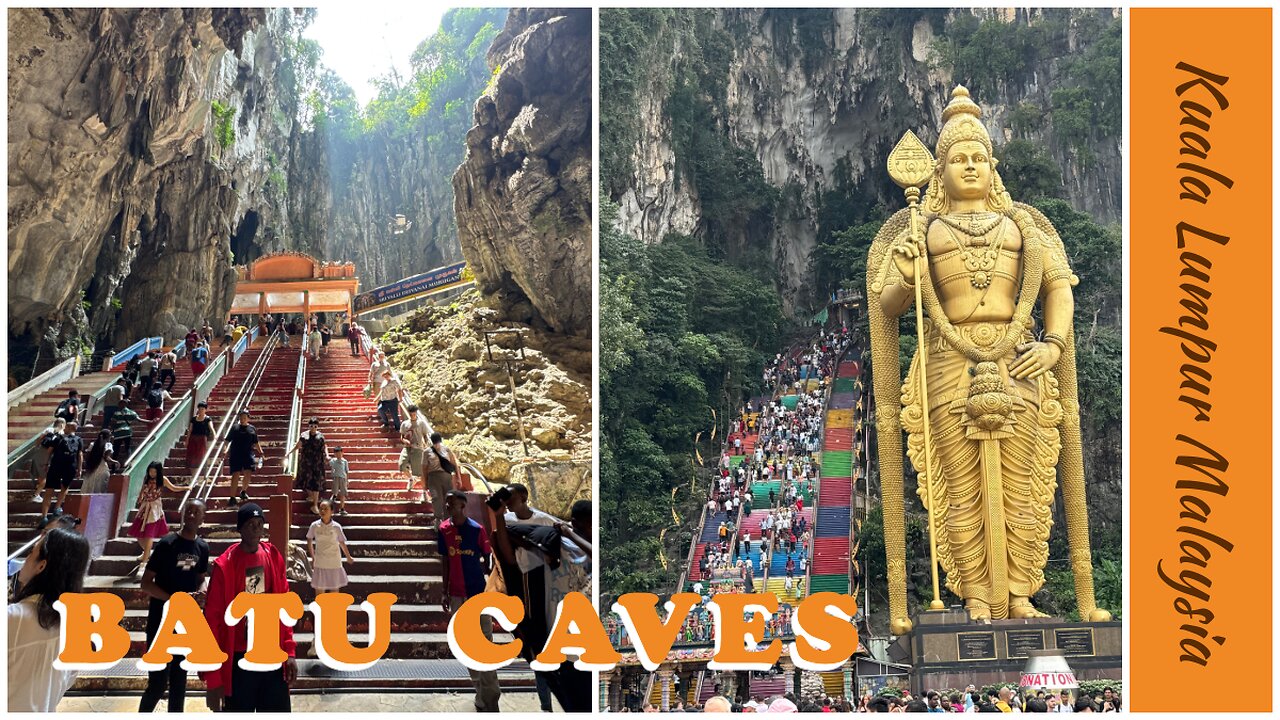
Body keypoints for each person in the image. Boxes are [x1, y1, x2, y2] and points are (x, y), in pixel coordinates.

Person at [869, 86, 1109, 625]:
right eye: (958, 158)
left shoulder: (1022, 227)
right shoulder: (922, 230)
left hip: (1018, 355)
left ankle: (1020, 593)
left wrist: (1052, 343)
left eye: (979, 157)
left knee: (1024, 480)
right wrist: (907, 271)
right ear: (939, 171)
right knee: (958, 484)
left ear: (993, 164)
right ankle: (975, 595)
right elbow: (887, 305)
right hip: (948, 365)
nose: (970, 166)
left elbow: (1059, 289)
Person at [202, 503, 297, 712]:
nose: (255, 528)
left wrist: (289, 651)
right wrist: (213, 678)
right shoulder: (225, 566)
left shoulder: (272, 557)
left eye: (259, 524)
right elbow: (212, 621)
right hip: (238, 659)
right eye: (250, 524)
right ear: (240, 529)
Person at [138, 499, 210, 712]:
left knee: (180, 683)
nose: (190, 515)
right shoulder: (167, 544)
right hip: (160, 622)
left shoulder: (202, 548)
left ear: (202, 519)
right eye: (188, 510)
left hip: (185, 625)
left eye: (196, 512)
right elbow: (146, 583)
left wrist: (204, 590)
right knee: (158, 683)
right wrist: (172, 600)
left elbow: (200, 578)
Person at [8, 527, 91, 711]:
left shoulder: (13, 617)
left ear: (41, 565)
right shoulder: (78, 623)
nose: (26, 558)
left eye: (31, 553)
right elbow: (67, 680)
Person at [437, 490, 499, 711]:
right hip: (456, 593)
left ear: (462, 506)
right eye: (446, 503)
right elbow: (445, 560)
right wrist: (444, 591)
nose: (446, 506)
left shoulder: (476, 529)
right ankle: (480, 693)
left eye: (451, 503)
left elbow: (488, 559)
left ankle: (491, 695)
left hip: (477, 593)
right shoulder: (443, 529)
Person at [127, 462, 189, 574]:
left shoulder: (163, 479)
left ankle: (144, 563)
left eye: (154, 471)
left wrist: (186, 488)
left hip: (155, 509)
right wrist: (140, 497)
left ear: (158, 471)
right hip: (144, 507)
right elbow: (142, 489)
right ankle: (147, 552)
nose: (152, 473)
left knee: (149, 534)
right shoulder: (147, 478)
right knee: (137, 533)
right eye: (150, 471)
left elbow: (173, 488)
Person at [307, 499, 353, 597]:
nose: (322, 511)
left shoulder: (337, 527)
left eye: (326, 509)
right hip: (320, 561)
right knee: (319, 592)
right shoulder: (314, 525)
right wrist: (313, 557)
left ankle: (332, 611)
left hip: (334, 562)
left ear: (332, 511)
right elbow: (309, 540)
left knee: (334, 591)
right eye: (321, 509)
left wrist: (348, 557)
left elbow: (342, 542)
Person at [41, 420, 83, 517]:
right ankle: (57, 508)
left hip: (56, 465)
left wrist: (46, 464)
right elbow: (80, 455)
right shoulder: (78, 439)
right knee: (65, 487)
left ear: (69, 428)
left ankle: (44, 516)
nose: (64, 429)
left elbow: (49, 451)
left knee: (49, 491)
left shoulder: (58, 438)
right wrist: (79, 469)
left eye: (66, 427)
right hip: (70, 466)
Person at [287, 417, 327, 515]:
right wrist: (289, 452)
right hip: (306, 462)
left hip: (317, 462)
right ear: (308, 426)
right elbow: (298, 446)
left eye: (315, 426)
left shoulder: (321, 436)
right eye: (311, 426)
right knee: (306, 480)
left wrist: (327, 456)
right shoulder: (304, 436)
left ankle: (315, 505)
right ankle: (311, 496)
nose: (313, 428)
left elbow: (324, 447)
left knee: (316, 483)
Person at [225, 409, 263, 507]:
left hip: (248, 454)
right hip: (236, 454)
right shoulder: (235, 428)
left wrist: (261, 452)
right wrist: (225, 450)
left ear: (248, 418)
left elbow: (256, 442)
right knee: (235, 474)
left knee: (248, 472)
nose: (242, 419)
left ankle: (243, 491)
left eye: (244, 417)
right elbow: (227, 440)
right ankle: (232, 497)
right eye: (241, 417)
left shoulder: (252, 429)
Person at [425, 431, 460, 524]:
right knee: (436, 498)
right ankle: (437, 519)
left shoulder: (447, 450)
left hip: (446, 476)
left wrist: (458, 478)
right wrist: (424, 483)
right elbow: (424, 468)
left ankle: (448, 521)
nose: (437, 445)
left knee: (448, 498)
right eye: (435, 443)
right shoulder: (427, 452)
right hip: (433, 477)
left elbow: (454, 464)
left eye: (438, 442)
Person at [30, 418, 64, 507]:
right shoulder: (61, 433)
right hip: (48, 455)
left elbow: (39, 438)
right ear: (62, 424)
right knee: (45, 477)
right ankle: (36, 494)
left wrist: (37, 447)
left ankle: (38, 493)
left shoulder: (49, 430)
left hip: (39, 452)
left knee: (40, 475)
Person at [400, 404, 431, 498]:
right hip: (407, 448)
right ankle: (411, 479)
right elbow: (401, 436)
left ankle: (424, 492)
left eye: (413, 413)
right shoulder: (405, 423)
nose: (412, 415)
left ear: (416, 413)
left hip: (418, 449)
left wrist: (425, 444)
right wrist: (404, 440)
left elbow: (425, 435)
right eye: (410, 413)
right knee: (402, 465)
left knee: (419, 472)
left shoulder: (421, 423)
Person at [80, 430, 117, 495]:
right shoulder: (108, 445)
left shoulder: (92, 444)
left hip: (92, 466)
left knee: (90, 484)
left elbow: (88, 455)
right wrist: (115, 462)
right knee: (100, 486)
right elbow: (106, 457)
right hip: (102, 467)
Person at [185, 401, 216, 474]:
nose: (201, 410)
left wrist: (215, 435)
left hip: (202, 440)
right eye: (199, 409)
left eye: (202, 409)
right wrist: (187, 440)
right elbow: (190, 430)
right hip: (193, 439)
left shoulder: (207, 419)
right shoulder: (193, 419)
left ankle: (197, 474)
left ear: (205, 410)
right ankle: (193, 476)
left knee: (199, 457)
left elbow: (211, 427)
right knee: (192, 457)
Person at [110, 404, 141, 470]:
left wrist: (112, 430)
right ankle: (129, 462)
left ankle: (113, 467)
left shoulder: (117, 413)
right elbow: (139, 419)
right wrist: (150, 421)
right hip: (127, 432)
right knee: (128, 448)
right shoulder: (131, 412)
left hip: (118, 433)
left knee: (116, 450)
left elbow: (113, 422)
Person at [330, 446, 350, 515]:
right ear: (334, 454)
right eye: (336, 454)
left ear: (342, 453)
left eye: (339, 453)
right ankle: (331, 508)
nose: (338, 455)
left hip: (343, 478)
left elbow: (347, 471)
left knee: (343, 494)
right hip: (336, 478)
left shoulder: (345, 461)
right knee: (335, 492)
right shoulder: (333, 461)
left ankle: (342, 508)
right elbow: (330, 465)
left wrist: (347, 480)